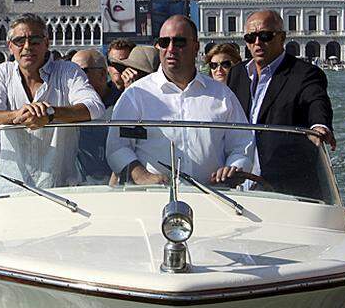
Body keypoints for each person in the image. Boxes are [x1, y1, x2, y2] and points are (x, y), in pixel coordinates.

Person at [107, 15, 254, 186]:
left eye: (179, 42)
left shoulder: (222, 95)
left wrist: (233, 167)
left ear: (196, 46)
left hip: (214, 200)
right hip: (153, 200)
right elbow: (117, 147)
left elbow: (242, 145)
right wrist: (141, 175)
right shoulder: (135, 95)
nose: (171, 49)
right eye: (164, 42)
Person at [0, 14, 105, 186]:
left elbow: (95, 108)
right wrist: (17, 115)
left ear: (47, 43)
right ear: (10, 47)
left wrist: (50, 114)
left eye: (35, 40)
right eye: (20, 41)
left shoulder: (68, 71)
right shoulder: (3, 73)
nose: (27, 47)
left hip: (61, 187)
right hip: (13, 186)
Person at [225, 9, 335, 198]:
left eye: (265, 36)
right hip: (239, 184)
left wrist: (319, 125)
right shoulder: (237, 73)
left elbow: (316, 100)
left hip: (288, 189)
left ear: (282, 37)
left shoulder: (305, 73)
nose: (257, 42)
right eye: (251, 37)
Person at [71, 48, 121, 181]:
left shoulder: (123, 103)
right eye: (71, 72)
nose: (74, 77)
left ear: (103, 74)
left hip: (118, 187)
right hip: (76, 189)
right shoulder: (68, 107)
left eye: (81, 71)